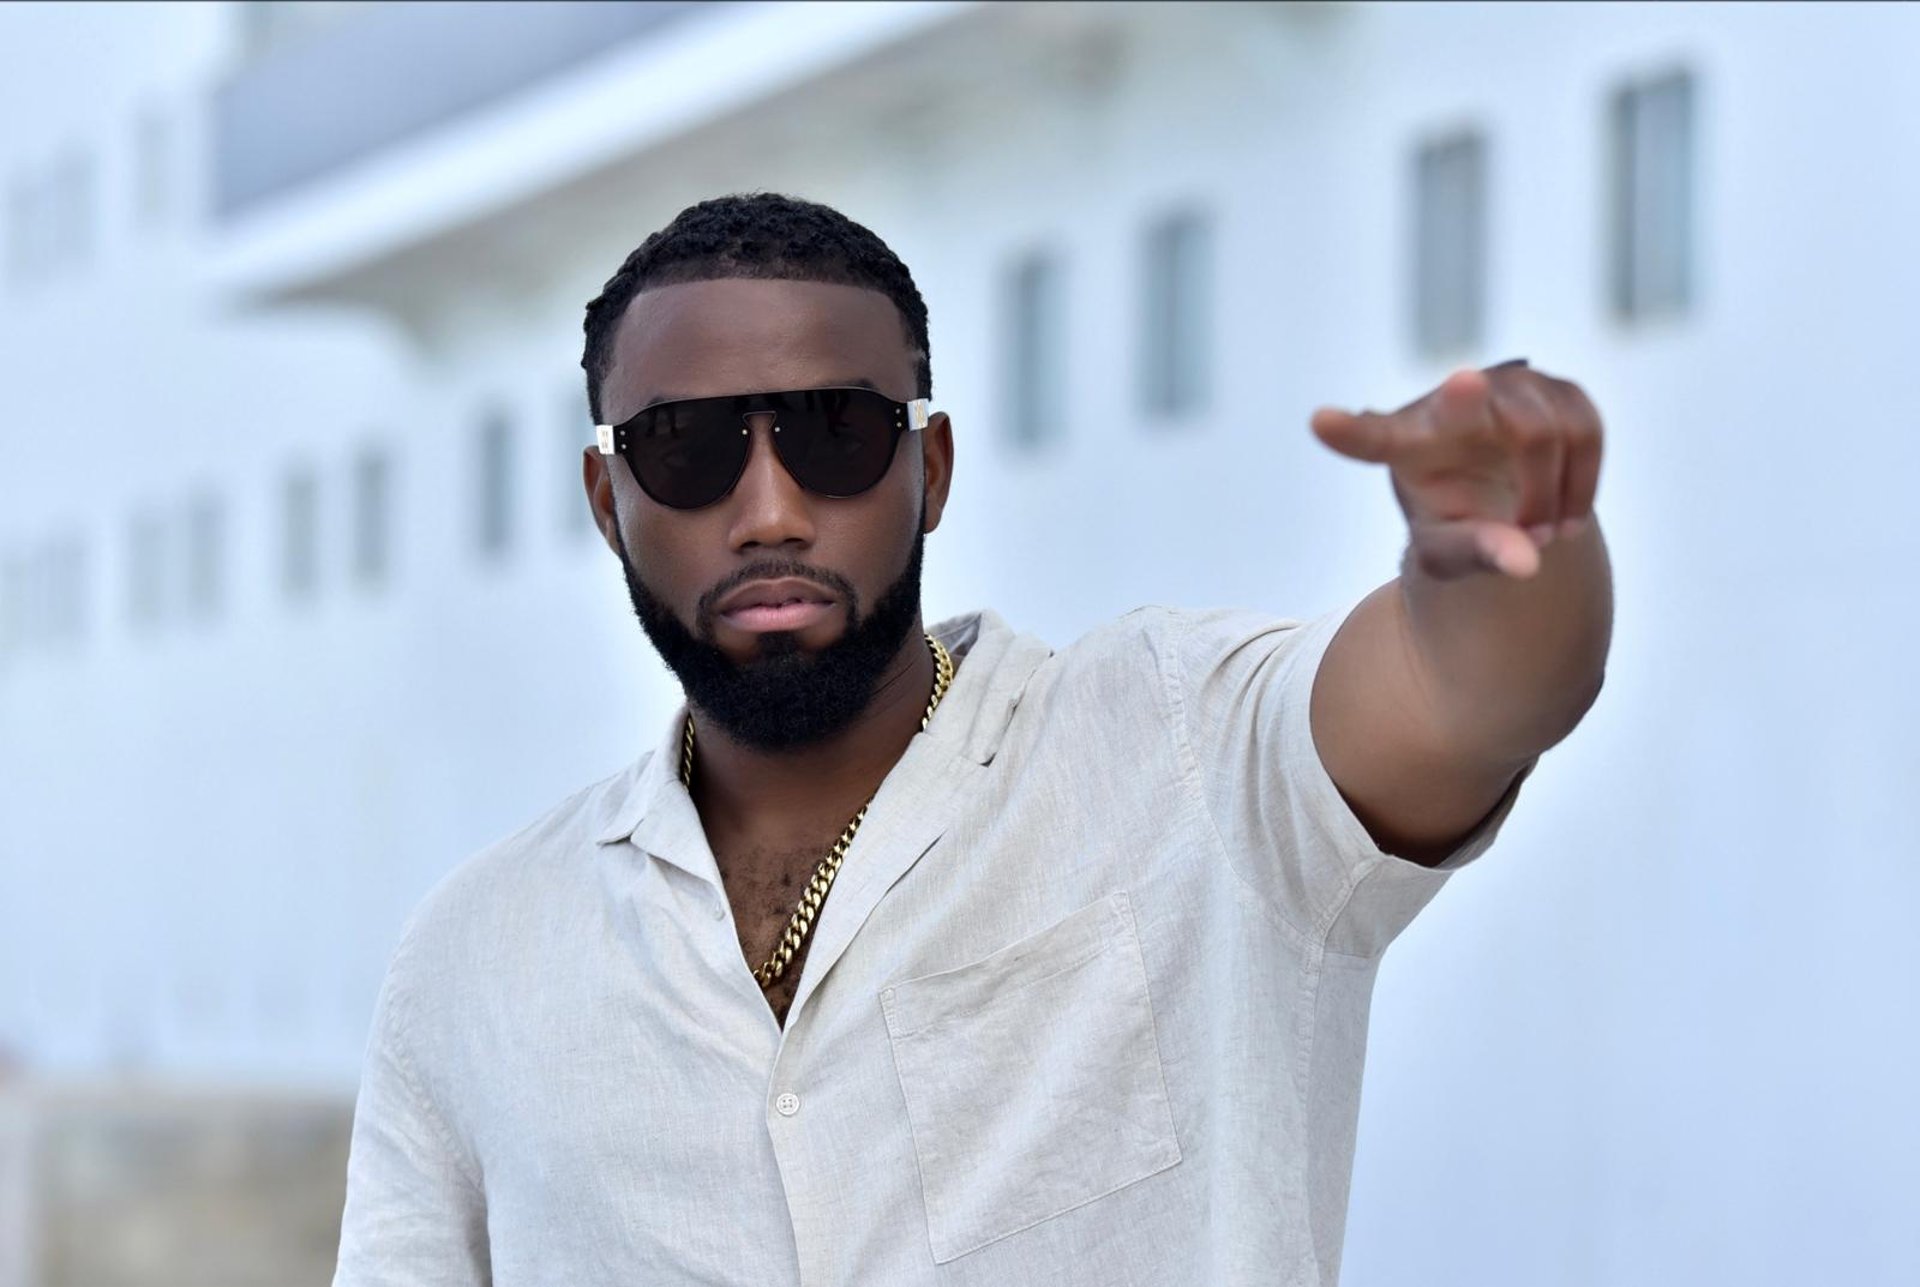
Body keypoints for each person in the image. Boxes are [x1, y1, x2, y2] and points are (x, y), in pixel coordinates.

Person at [332, 193, 1612, 1286]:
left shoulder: (1175, 748)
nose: (769, 510)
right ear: (608, 501)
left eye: (834, 435)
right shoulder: (477, 954)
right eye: (689, 450)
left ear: (930, 468)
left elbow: (1466, 701)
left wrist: (1511, 552)